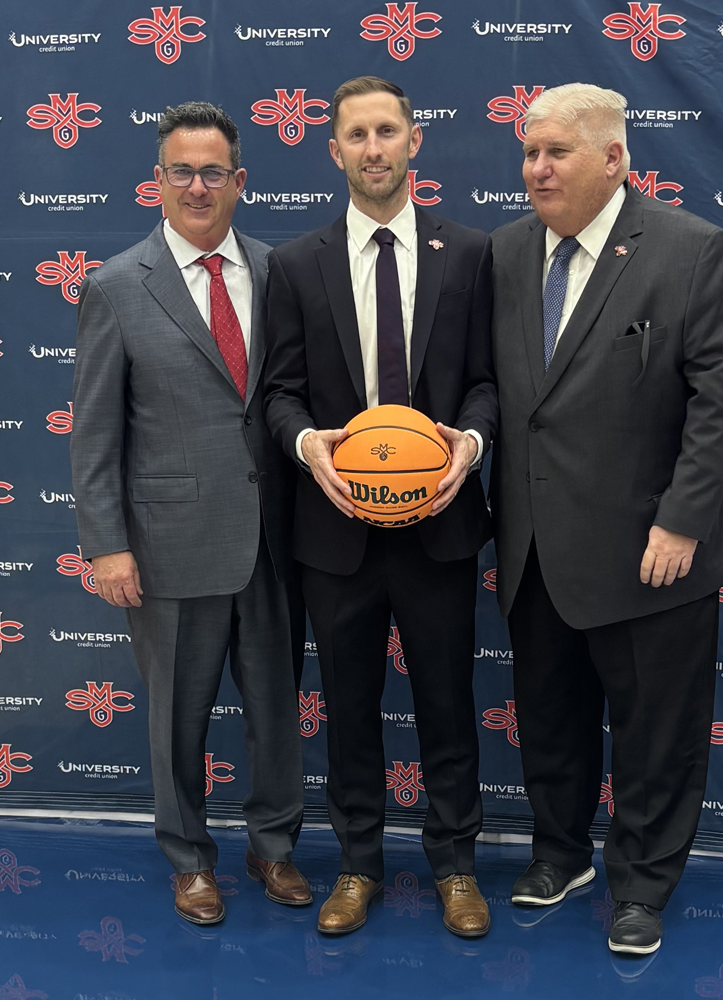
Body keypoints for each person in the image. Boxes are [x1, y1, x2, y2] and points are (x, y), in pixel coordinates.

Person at [489, 83, 723, 955]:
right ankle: (559, 854)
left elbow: (721, 401)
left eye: (554, 152)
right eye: (528, 153)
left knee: (656, 735)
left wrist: (681, 522)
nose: (535, 169)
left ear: (612, 158)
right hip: (536, 548)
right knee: (550, 718)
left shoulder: (690, 250)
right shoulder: (503, 253)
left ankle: (641, 885)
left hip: (654, 552)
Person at [263, 77, 498, 938]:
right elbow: (280, 392)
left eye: (386, 131)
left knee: (446, 700)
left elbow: (486, 381)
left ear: (414, 140)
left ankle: (457, 867)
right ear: (333, 151)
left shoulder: (468, 253)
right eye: (355, 135)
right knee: (350, 707)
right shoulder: (294, 264)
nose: (372, 148)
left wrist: (467, 445)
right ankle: (358, 865)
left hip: (438, 525)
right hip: (335, 533)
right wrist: (307, 446)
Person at [71, 101, 309, 925]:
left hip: (277, 543)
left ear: (240, 181)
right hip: (168, 545)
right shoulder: (114, 287)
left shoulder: (285, 274)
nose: (198, 186)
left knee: (278, 709)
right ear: (158, 182)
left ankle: (274, 847)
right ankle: (188, 859)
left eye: (214, 172)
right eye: (182, 171)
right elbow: (94, 432)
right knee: (177, 719)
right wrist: (106, 545)